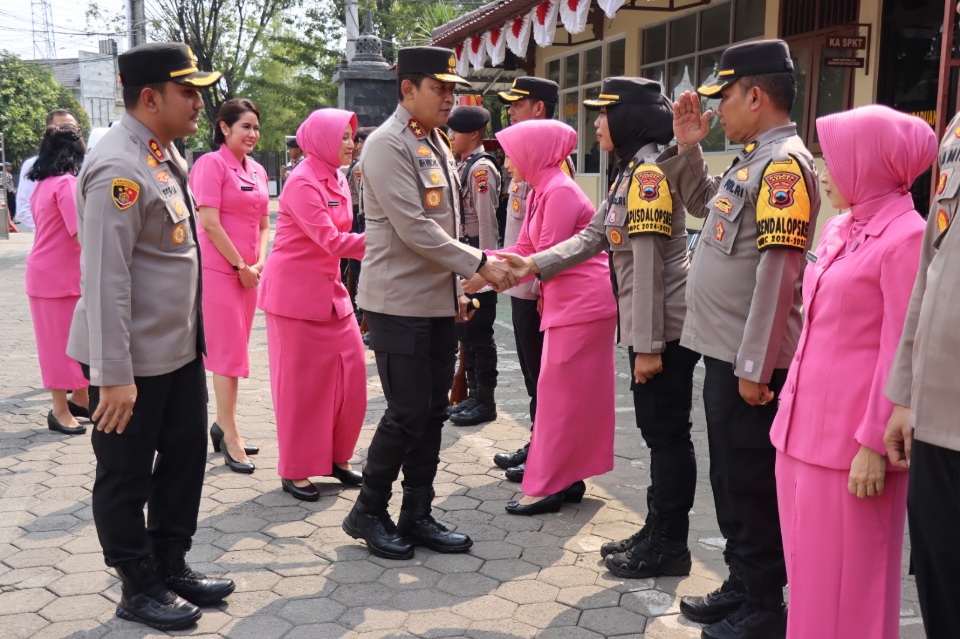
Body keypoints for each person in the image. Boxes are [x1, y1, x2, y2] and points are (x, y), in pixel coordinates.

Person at [67, 42, 234, 630]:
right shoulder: (119, 166)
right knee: (126, 471)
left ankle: (170, 561)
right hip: (130, 361)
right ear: (149, 96)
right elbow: (106, 278)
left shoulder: (161, 152)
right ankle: (137, 585)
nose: (199, 101)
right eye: (188, 91)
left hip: (178, 350)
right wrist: (113, 375)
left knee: (185, 458)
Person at [504, 77, 700, 571]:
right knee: (657, 432)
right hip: (646, 324)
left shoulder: (649, 173)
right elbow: (594, 236)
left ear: (630, 117)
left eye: (604, 112)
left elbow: (652, 262)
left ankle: (669, 543)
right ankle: (657, 529)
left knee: (667, 433)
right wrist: (532, 264)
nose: (595, 122)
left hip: (661, 327)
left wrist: (649, 345)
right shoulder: (630, 171)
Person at [659, 39, 820, 639]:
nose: (715, 109)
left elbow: (779, 274)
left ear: (755, 96)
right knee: (729, 477)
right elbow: (704, 204)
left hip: (749, 362)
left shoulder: (784, 166)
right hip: (726, 353)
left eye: (723, 97)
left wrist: (755, 363)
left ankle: (763, 605)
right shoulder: (752, 158)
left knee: (750, 481)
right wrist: (688, 148)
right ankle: (741, 580)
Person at [341, 45, 517, 561]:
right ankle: (368, 510)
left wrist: (456, 291)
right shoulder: (387, 146)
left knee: (433, 412)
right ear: (407, 90)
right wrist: (480, 264)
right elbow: (414, 228)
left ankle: (416, 512)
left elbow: (448, 224)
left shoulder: (433, 141)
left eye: (451, 89)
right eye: (438, 89)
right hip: (398, 301)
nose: (449, 97)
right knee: (406, 412)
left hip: (437, 300)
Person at [768, 106, 934, 638]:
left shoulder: (907, 236)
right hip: (799, 435)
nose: (821, 169)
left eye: (833, 159)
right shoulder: (842, 225)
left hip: (852, 450)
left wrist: (872, 444)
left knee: (853, 591)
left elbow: (900, 352)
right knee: (811, 581)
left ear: (870, 163)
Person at [487, 118, 616, 516]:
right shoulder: (544, 189)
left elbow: (540, 259)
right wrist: (474, 263)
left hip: (582, 305)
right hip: (569, 303)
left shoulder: (558, 192)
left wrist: (478, 273)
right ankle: (570, 476)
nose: (507, 162)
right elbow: (526, 246)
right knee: (568, 396)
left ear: (532, 153)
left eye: (511, 154)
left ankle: (547, 486)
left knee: (560, 397)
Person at [259, 108, 366, 502]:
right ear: (321, 139)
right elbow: (332, 240)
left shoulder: (337, 176)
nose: (350, 143)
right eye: (343, 137)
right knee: (301, 389)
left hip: (330, 291)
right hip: (295, 296)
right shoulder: (303, 181)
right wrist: (385, 242)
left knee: (350, 378)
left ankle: (337, 458)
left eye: (352, 136)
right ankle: (297, 468)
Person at [884, 108, 960, 637]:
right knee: (939, 577)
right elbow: (928, 273)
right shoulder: (958, 127)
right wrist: (904, 395)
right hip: (936, 417)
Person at [492, 76, 573, 483]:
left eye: (517, 105)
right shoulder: (527, 165)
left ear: (538, 109)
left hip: (535, 287)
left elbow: (557, 243)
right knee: (531, 374)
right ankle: (538, 439)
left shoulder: (553, 170)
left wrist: (539, 286)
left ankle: (547, 447)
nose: (510, 111)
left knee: (544, 378)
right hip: (520, 281)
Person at [189, 98, 270, 474]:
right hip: (221, 274)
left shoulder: (256, 170)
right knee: (225, 356)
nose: (253, 134)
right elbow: (209, 223)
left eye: (256, 127)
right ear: (225, 128)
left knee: (236, 355)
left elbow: (265, 223)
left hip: (249, 274)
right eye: (245, 127)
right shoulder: (210, 164)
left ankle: (224, 425)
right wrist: (240, 265)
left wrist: (258, 264)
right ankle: (230, 435)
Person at [25, 124, 90, 436]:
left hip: (53, 276)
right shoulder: (65, 185)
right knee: (59, 348)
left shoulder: (45, 184)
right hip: (57, 279)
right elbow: (80, 234)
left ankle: (80, 399)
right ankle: (59, 410)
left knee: (74, 343)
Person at [447, 106, 502, 427]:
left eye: (455, 131)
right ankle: (472, 394)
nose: (451, 136)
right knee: (466, 335)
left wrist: (483, 272)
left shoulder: (481, 170)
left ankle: (486, 400)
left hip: (477, 265)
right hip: (464, 262)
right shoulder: (465, 165)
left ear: (473, 134)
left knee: (480, 336)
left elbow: (486, 227)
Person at [17, 109, 79, 231]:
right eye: (61, 129)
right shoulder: (34, 166)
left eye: (71, 129)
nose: (67, 134)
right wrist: (52, 227)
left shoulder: (88, 162)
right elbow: (23, 209)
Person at [341, 126, 375, 325]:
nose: (357, 145)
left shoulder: (361, 166)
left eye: (360, 141)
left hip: (359, 217)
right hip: (355, 216)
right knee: (354, 269)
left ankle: (364, 315)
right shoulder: (358, 164)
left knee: (361, 270)